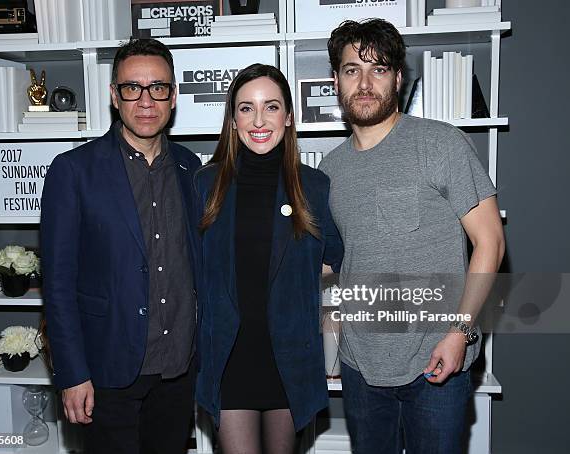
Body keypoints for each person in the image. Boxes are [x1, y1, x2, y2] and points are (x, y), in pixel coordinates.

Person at [319, 19, 505, 454]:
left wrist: (460, 332)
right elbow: (335, 263)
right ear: (335, 81)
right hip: (360, 367)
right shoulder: (330, 170)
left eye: (378, 69)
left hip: (437, 361)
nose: (364, 83)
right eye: (351, 70)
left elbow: (491, 241)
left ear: (398, 78)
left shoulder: (440, 144)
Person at [40, 38, 201, 454]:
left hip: (178, 370)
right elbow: (57, 286)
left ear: (174, 96)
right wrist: (72, 374)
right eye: (133, 87)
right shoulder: (73, 171)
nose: (146, 100)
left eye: (158, 87)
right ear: (114, 96)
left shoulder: (191, 168)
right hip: (106, 373)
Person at [194, 63, 343, 454]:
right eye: (246, 108)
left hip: (289, 363)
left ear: (289, 116)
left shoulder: (315, 186)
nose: (259, 120)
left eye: (271, 107)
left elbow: (335, 263)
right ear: (232, 119)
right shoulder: (204, 186)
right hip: (229, 361)